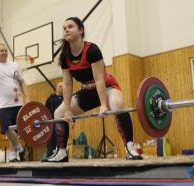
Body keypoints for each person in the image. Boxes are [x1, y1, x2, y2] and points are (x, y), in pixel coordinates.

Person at [46, 17, 142, 162]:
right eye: (64, 28)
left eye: (70, 26)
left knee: (118, 105)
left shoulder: (92, 50)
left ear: (81, 30)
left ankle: (130, 147)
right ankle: (61, 152)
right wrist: (67, 109)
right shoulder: (65, 56)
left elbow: (99, 79)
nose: (66, 29)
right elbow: (67, 85)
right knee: (58, 113)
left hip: (107, 87)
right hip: (88, 92)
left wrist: (104, 105)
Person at [43, 82, 63, 160]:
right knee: (51, 140)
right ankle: (50, 155)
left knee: (61, 140)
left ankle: (60, 156)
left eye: (63, 86)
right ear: (56, 88)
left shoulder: (66, 98)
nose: (61, 87)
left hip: (62, 124)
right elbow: (45, 109)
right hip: (51, 124)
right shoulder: (51, 98)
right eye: (59, 86)